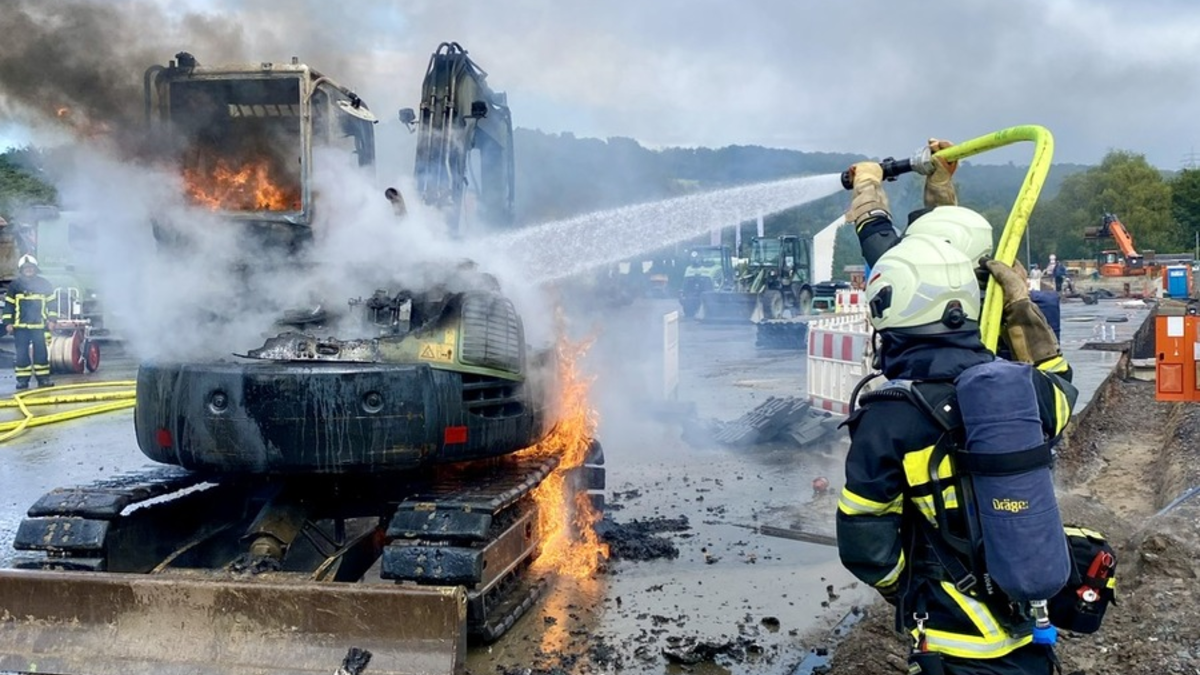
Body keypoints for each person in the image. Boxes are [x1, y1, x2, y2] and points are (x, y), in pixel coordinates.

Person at [836, 231, 1076, 675]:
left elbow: (863, 537)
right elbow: (1062, 386)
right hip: (1028, 629)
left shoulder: (889, 416)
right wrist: (1021, 310)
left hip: (952, 643)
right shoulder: (1022, 391)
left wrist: (906, 589)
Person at [3, 254, 57, 390]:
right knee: (21, 354)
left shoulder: (44, 284)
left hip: (39, 326)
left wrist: (52, 320)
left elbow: (52, 304)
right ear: (21, 270)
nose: (29, 270)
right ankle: (22, 380)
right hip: (20, 327)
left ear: (35, 269)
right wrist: (8, 322)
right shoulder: (15, 286)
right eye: (26, 268)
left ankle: (43, 379)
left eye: (31, 267)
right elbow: (9, 306)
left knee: (41, 353)